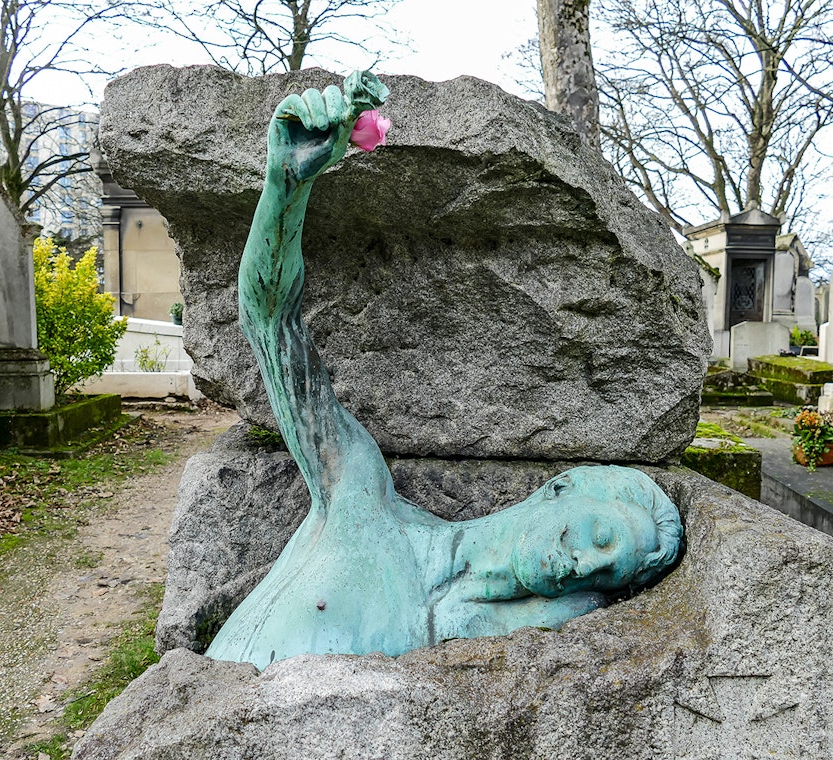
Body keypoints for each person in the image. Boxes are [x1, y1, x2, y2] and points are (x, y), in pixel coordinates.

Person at [204, 71, 683, 672]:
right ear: (560, 489)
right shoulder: (358, 495)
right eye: (602, 539)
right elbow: (271, 324)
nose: (587, 566)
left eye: (610, 574)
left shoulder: (481, 630)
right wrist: (285, 186)